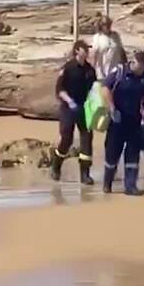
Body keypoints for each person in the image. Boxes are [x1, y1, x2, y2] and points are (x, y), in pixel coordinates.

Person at [101, 50, 144, 195]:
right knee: (112, 154)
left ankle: (130, 186)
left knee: (132, 154)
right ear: (134, 62)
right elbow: (105, 88)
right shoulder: (120, 72)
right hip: (117, 121)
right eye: (142, 65)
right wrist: (112, 108)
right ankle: (107, 182)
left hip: (134, 121)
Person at [51, 40, 97, 185]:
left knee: (87, 139)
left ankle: (85, 174)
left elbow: (94, 89)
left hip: (84, 108)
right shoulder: (68, 67)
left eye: (88, 49)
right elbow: (59, 89)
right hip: (68, 107)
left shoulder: (90, 70)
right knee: (67, 139)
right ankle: (56, 166)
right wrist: (70, 102)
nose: (87, 52)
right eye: (85, 49)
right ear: (77, 51)